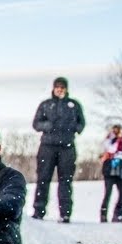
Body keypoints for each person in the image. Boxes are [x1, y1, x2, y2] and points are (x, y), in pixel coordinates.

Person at [30, 76, 86, 223]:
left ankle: (65, 213)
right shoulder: (46, 105)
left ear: (66, 89)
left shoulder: (73, 105)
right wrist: (47, 126)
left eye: (62, 87)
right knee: (43, 179)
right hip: (47, 146)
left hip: (67, 147)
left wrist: (75, 128)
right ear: (54, 88)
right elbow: (36, 124)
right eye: (58, 87)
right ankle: (39, 211)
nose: (60, 89)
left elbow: (82, 123)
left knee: (65, 181)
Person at [99, 122, 122, 223]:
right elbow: (108, 149)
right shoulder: (108, 139)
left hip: (120, 170)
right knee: (107, 193)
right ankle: (103, 214)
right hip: (109, 169)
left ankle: (117, 214)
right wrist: (114, 154)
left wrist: (117, 155)